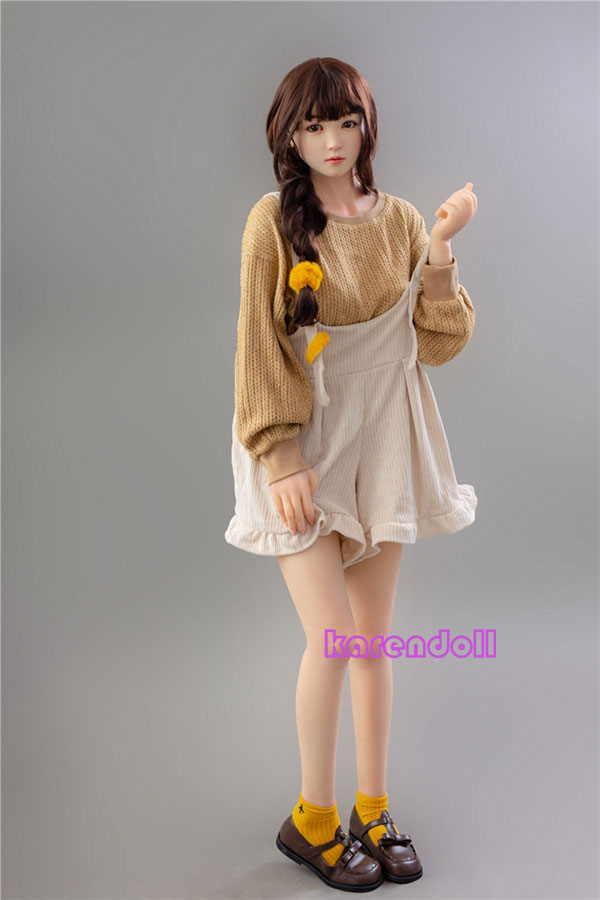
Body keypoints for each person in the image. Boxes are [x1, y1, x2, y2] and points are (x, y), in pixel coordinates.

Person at [224, 56, 478, 891]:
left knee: (371, 639)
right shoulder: (272, 223)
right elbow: (258, 347)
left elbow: (437, 344)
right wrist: (281, 455)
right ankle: (313, 818)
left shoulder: (400, 219)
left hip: (383, 440)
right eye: (313, 125)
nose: (332, 140)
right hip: (303, 443)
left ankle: (373, 807)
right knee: (332, 637)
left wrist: (439, 248)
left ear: (366, 127)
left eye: (345, 122)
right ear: (289, 136)